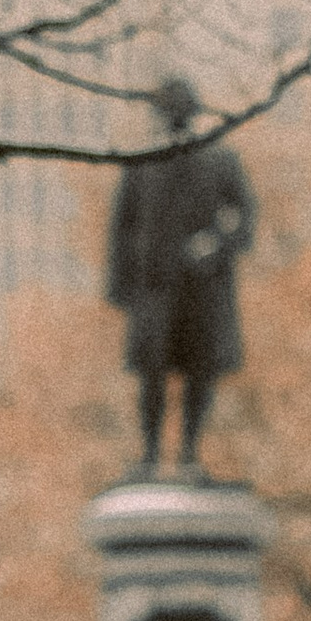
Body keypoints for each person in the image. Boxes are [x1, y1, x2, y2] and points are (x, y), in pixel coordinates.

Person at [104, 74, 259, 475]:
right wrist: (121, 289)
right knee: (151, 373)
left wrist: (215, 244)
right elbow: (122, 227)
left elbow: (245, 216)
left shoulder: (219, 159)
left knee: (199, 370)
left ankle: (189, 454)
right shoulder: (142, 162)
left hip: (201, 289)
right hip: (154, 287)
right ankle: (150, 455)